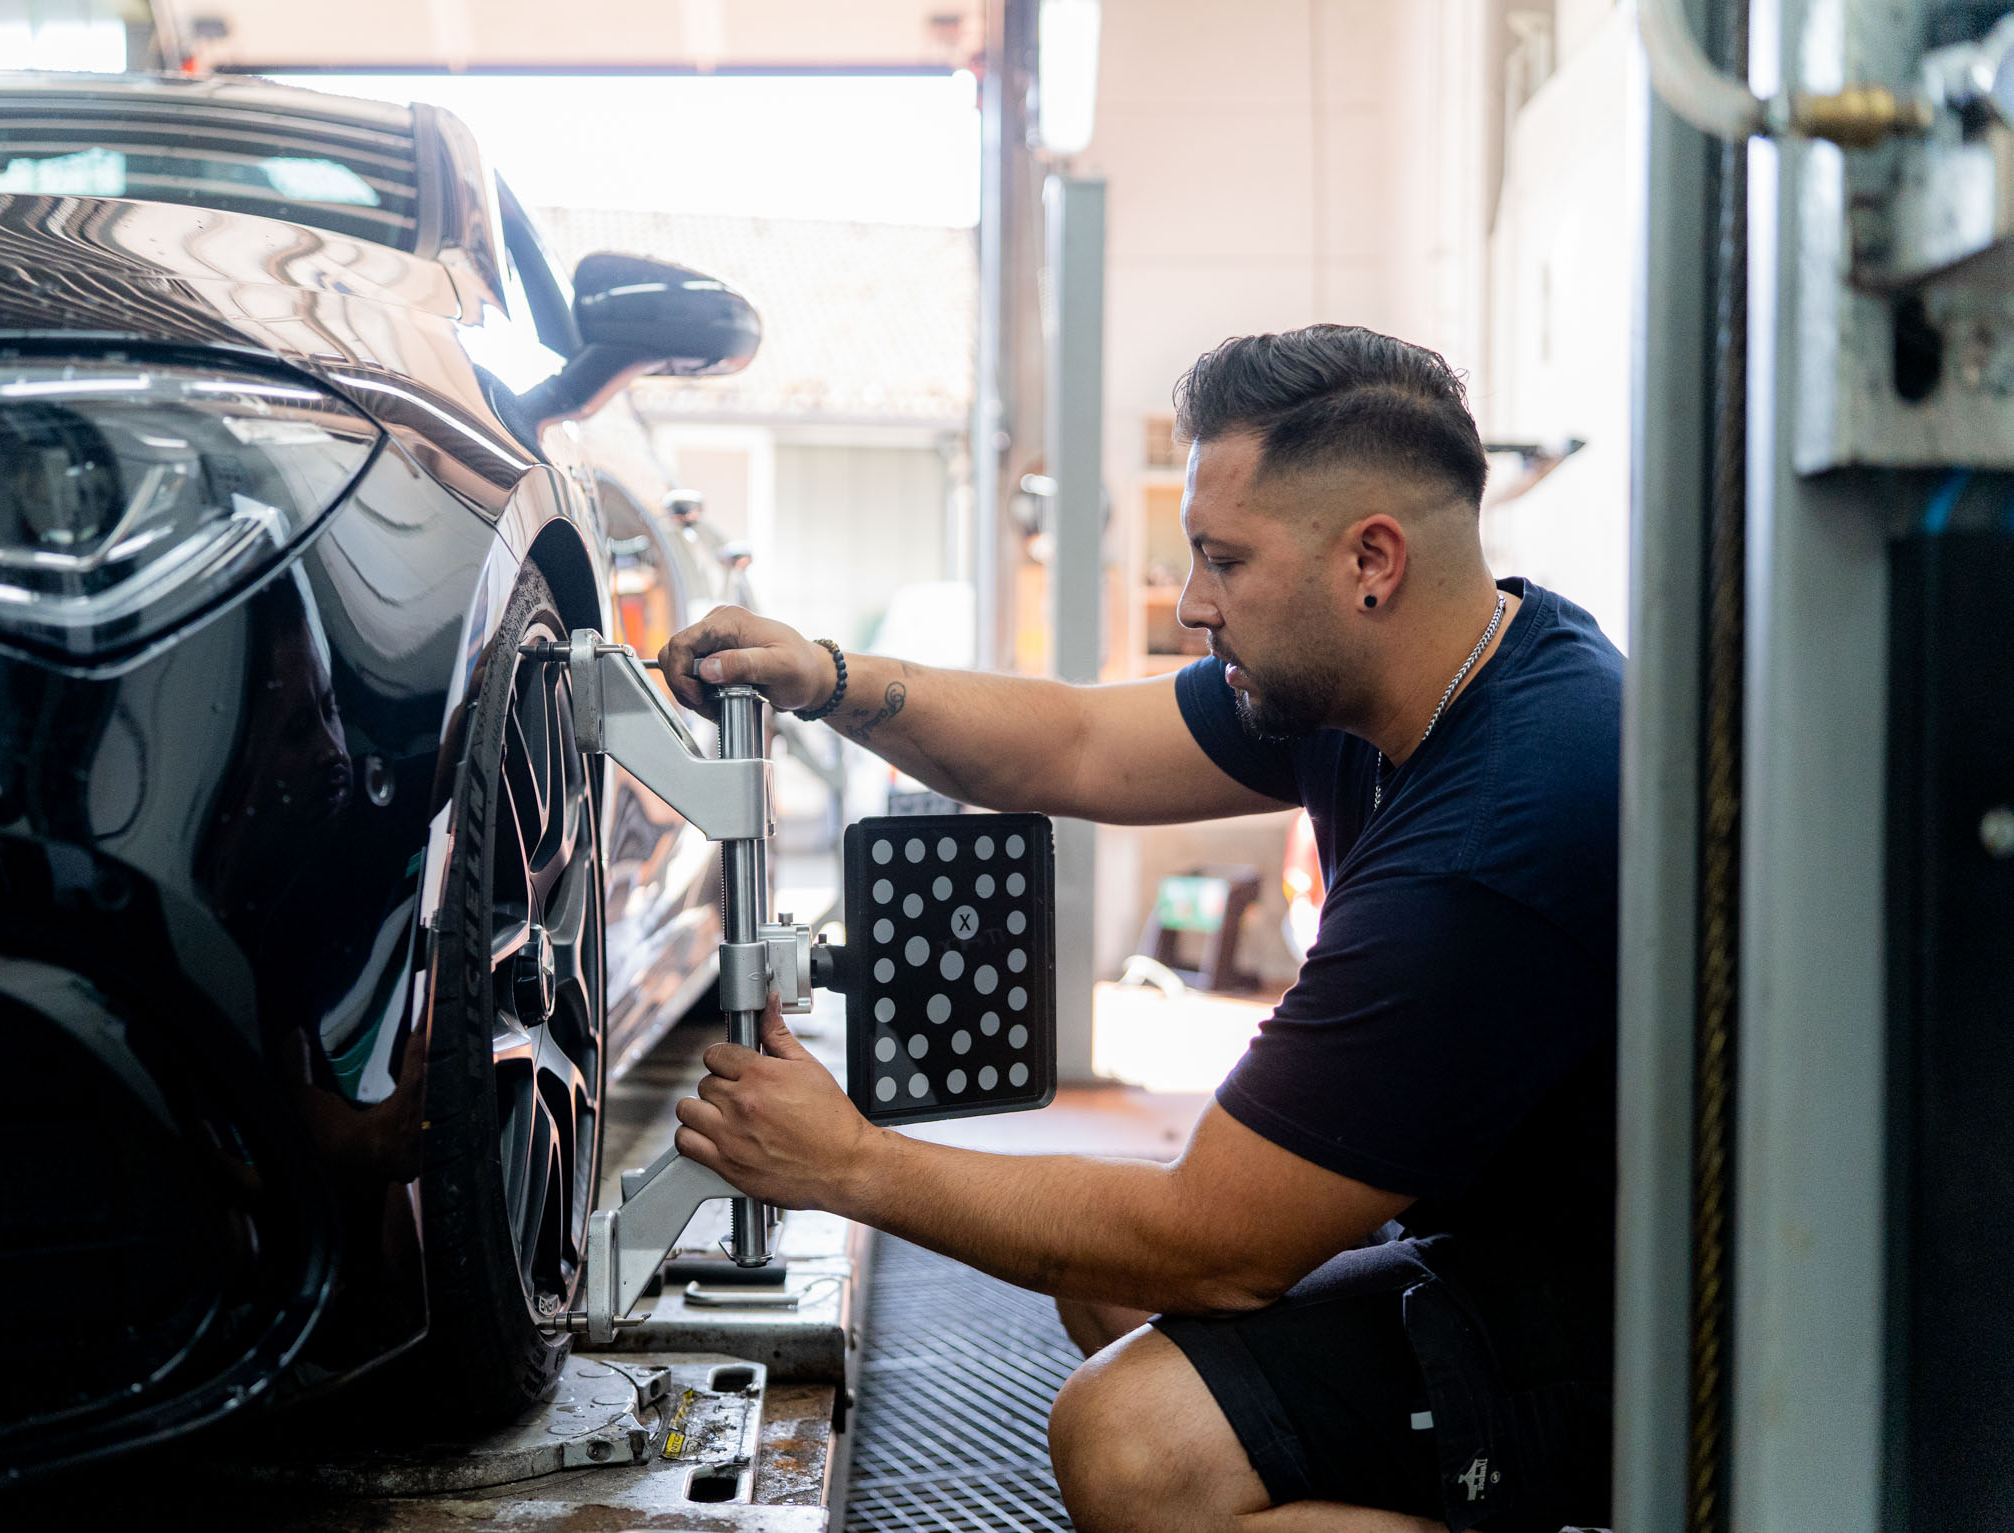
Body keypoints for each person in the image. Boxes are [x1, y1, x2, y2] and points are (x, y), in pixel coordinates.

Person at [658, 325, 1619, 1533]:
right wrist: (831, 678)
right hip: (1503, 1239)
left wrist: (847, 1164)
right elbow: (1077, 743)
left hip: (1615, 1333)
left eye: (1221, 560)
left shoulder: (1498, 831)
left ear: (1369, 560)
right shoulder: (1396, 668)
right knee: (1106, 1286)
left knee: (1131, 1443)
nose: (1191, 604)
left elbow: (1212, 1242)